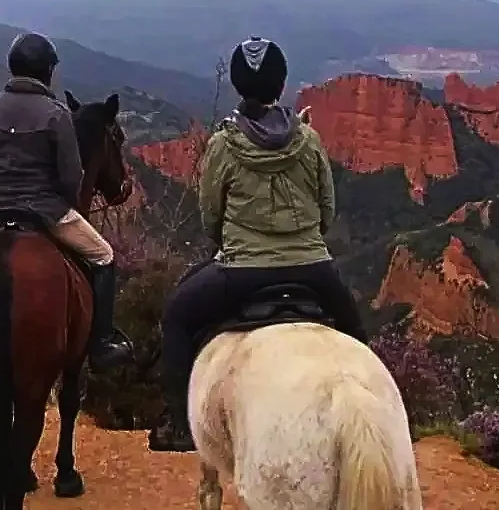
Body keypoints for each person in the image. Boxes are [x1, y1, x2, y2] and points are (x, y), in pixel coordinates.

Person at [147, 36, 370, 453]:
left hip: (240, 273)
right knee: (357, 333)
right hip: (313, 269)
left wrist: (231, 244)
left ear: (236, 84)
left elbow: (210, 215)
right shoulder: (310, 140)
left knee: (177, 316)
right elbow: (327, 211)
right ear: (281, 82)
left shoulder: (222, 144)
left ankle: (177, 424)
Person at [0, 31, 133, 370]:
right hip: (45, 210)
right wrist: (64, 202)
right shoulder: (57, 115)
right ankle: (101, 343)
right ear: (46, 71)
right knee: (104, 256)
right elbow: (72, 178)